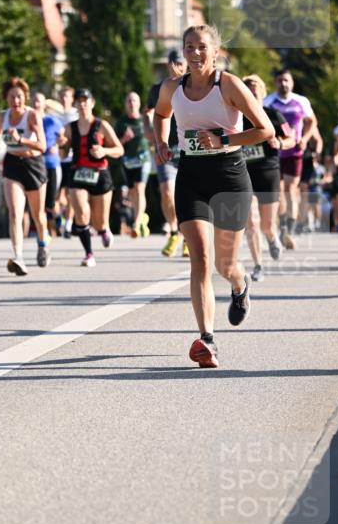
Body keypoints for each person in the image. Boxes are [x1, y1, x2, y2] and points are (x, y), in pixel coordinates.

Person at [154, 24, 274, 369]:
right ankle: (207, 339)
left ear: (216, 51)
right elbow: (160, 114)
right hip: (191, 176)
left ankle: (240, 285)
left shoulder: (230, 85)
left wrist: (224, 140)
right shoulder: (172, 87)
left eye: (202, 47)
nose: (194, 53)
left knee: (225, 265)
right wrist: (161, 142)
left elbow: (265, 129)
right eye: (189, 47)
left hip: (230, 178)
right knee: (201, 259)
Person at [0, 76, 48, 276]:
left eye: (20, 97)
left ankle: (42, 242)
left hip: (33, 165)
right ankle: (19, 256)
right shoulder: (2, 116)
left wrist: (20, 139)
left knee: (38, 216)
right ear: (6, 98)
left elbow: (42, 145)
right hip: (12, 164)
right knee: (15, 213)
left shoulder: (32, 116)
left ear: (25, 97)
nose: (16, 101)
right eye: (12, 97)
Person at [241, 74, 295, 281]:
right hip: (245, 173)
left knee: (266, 225)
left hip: (268, 172)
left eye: (256, 88)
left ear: (263, 93)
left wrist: (280, 144)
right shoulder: (236, 118)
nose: (253, 91)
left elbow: (291, 139)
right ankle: (258, 266)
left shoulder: (274, 115)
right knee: (251, 222)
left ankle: (272, 238)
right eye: (248, 89)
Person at [62, 89, 123, 266]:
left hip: (100, 174)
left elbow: (119, 150)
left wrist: (104, 151)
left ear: (92, 103)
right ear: (74, 104)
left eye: (85, 101)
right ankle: (89, 254)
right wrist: (62, 145)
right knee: (81, 212)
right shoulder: (69, 128)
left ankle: (103, 230)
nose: (82, 104)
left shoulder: (102, 125)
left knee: (99, 220)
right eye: (78, 101)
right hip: (78, 172)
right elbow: (62, 155)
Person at [264, 70, 315, 249]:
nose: (283, 84)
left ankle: (290, 230)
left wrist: (305, 139)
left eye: (286, 80)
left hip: (295, 152)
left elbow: (311, 122)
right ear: (275, 82)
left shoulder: (301, 101)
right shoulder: (268, 101)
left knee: (291, 189)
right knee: (278, 192)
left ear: (291, 83)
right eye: (280, 80)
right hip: (275, 152)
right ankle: (283, 226)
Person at [144, 49, 189, 258]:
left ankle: (189, 235)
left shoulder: (193, 86)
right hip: (166, 148)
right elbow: (149, 113)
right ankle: (173, 231)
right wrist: (150, 135)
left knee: (189, 192)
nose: (176, 67)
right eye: (172, 63)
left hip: (189, 148)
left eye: (180, 63)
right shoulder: (158, 88)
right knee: (167, 192)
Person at [115, 91, 152, 238]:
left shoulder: (144, 120)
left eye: (135, 101)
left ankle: (136, 223)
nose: (132, 104)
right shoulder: (121, 122)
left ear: (139, 103)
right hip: (128, 161)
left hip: (143, 159)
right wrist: (124, 138)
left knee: (139, 188)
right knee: (132, 192)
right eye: (129, 101)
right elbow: (115, 144)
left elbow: (155, 136)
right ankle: (142, 217)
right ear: (125, 104)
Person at [31, 91, 64, 236]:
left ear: (44, 104)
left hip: (51, 164)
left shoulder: (52, 121)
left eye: (39, 101)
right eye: (33, 100)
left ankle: (56, 220)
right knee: (40, 203)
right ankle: (46, 232)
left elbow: (64, 136)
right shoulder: (28, 121)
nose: (35, 103)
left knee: (50, 203)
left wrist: (58, 145)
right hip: (35, 165)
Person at [55, 85, 78, 237]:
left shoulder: (76, 115)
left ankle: (68, 225)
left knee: (71, 194)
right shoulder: (55, 116)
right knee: (57, 195)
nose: (64, 99)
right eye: (62, 96)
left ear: (72, 99)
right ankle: (60, 219)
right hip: (57, 159)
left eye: (67, 96)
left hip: (73, 158)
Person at [298, 123, 323, 233]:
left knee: (305, 192)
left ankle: (304, 221)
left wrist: (317, 153)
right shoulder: (288, 119)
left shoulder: (310, 126)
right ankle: (299, 219)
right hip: (291, 157)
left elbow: (319, 141)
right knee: (294, 192)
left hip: (306, 160)